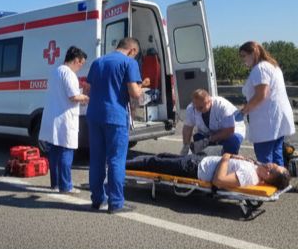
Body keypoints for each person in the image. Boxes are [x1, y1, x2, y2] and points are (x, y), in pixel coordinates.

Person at [85, 37, 151, 214]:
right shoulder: (129, 63)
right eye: (135, 55)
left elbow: (87, 90)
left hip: (94, 115)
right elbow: (135, 93)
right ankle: (116, 203)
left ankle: (97, 199)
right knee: (116, 159)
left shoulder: (98, 62)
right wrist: (143, 85)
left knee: (97, 159)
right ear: (132, 50)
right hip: (115, 117)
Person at [39, 47, 90, 193]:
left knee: (54, 152)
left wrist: (80, 92)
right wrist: (86, 97)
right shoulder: (69, 73)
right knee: (66, 152)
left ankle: (55, 184)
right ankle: (66, 186)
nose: (81, 67)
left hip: (54, 118)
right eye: (81, 63)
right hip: (65, 119)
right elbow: (73, 96)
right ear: (76, 60)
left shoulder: (55, 71)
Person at [236, 41, 295, 167]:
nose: (243, 60)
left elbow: (261, 95)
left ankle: (270, 179)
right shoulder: (272, 66)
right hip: (276, 118)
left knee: (265, 159)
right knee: (277, 155)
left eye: (244, 56)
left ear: (253, 53)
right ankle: (280, 179)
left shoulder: (260, 68)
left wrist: (244, 110)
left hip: (267, 121)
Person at [126, 152, 291, 191]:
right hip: (199, 161)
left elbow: (219, 181)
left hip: (194, 169)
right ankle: (124, 162)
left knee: (153, 163)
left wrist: (226, 157)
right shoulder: (256, 168)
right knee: (161, 156)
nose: (271, 164)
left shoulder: (250, 176)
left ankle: (119, 166)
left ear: (268, 175)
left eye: (274, 167)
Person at [179, 89, 245, 156]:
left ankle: (228, 158)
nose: (197, 110)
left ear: (209, 101)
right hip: (210, 132)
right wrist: (186, 146)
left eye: (201, 107)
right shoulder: (191, 108)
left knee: (232, 142)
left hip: (233, 130)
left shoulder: (222, 105)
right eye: (195, 107)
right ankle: (203, 158)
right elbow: (187, 128)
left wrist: (209, 140)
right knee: (197, 138)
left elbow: (229, 131)